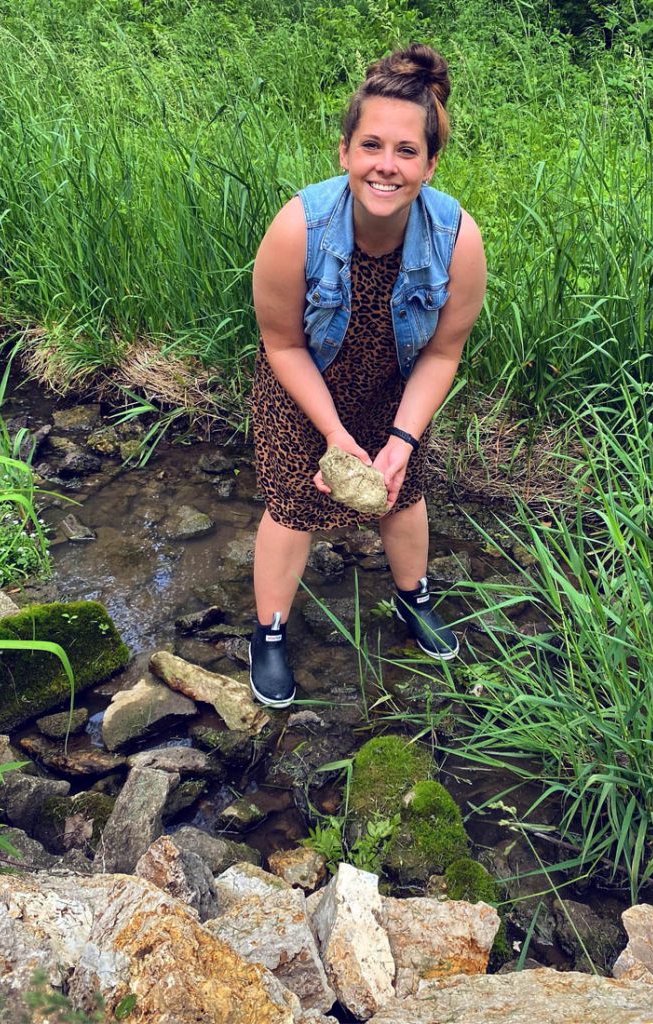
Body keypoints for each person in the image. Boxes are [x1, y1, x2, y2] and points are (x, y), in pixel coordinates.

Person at [249, 43, 487, 708]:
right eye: (372, 146)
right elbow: (282, 342)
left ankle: (414, 602)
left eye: (407, 151)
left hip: (394, 381)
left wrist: (401, 441)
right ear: (345, 152)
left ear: (431, 164)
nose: (387, 165)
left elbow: (442, 353)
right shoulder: (297, 228)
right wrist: (335, 436)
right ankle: (268, 632)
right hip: (304, 382)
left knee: (402, 493)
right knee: (293, 505)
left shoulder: (458, 238)